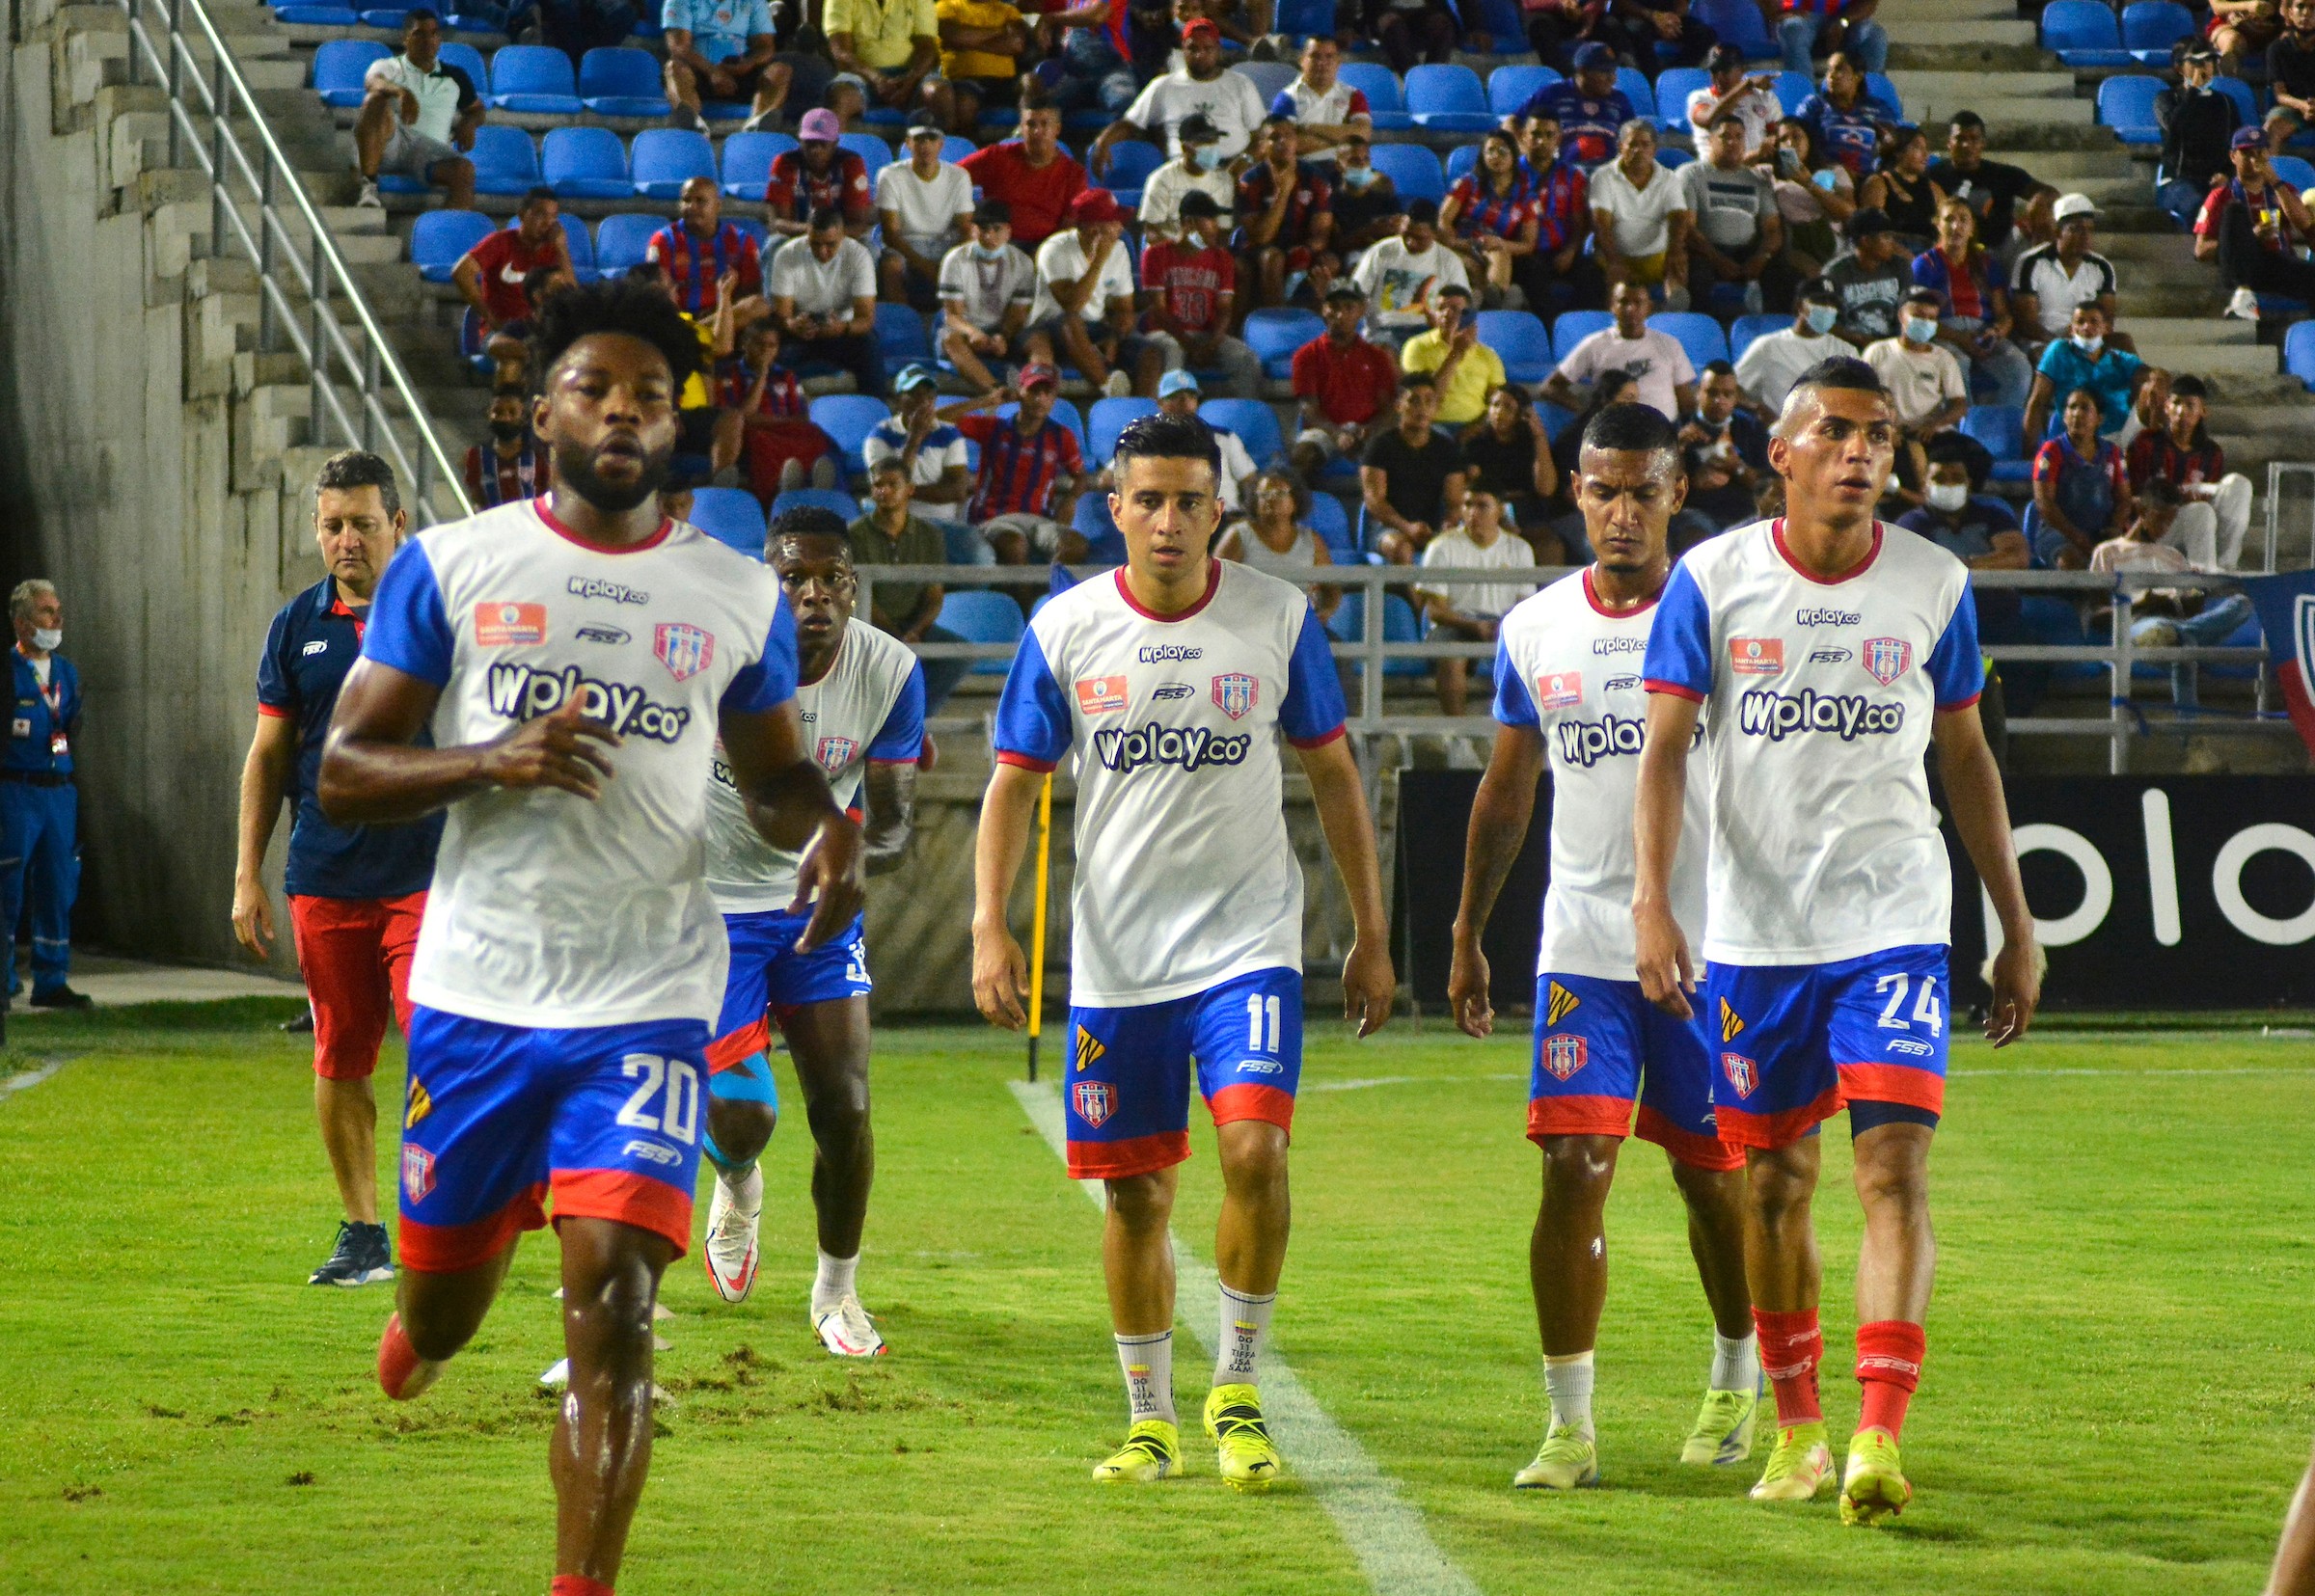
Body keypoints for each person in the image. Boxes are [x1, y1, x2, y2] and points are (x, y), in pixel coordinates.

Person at [323, 279, 865, 1592]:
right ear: (541, 412)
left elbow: (778, 773)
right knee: (440, 1303)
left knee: (617, 1305)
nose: (622, 413)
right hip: (479, 994)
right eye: (594, 390)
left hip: (648, 997)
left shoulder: (735, 594)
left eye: (648, 396)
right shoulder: (454, 564)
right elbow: (344, 767)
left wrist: (831, 827)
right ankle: (429, 1314)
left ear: (679, 423)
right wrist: (488, 756)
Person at [1632, 353, 2040, 1526]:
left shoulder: (1935, 580)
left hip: (1895, 922)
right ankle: (1798, 1425)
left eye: (1880, 434)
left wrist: (2016, 922)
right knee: (1772, 1181)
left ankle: (1876, 1431)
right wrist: (1654, 901)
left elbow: (1966, 757)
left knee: (1890, 1169)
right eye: (1839, 430)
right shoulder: (1710, 579)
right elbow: (1664, 750)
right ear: (1783, 449)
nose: (1864, 451)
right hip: (1756, 933)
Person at [973, 408, 1395, 1491]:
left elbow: (1336, 775)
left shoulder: (1279, 617)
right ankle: (1150, 1416)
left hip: (1247, 942)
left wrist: (1369, 933)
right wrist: (988, 921)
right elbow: (1015, 781)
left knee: (1257, 1151)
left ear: (1223, 513)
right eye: (1148, 500)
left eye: (1190, 502)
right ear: (1114, 509)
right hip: (1118, 959)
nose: (1168, 521)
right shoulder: (1064, 629)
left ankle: (1239, 1388)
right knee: (1137, 1196)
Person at [1449, 399, 1760, 1493]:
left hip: (1709, 947)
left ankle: (1735, 1368)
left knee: (1711, 1180)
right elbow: (1506, 787)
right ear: (1573, 491)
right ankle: (1569, 1426)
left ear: (1677, 494)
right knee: (1574, 1167)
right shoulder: (1535, 626)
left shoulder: (1724, 617)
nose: (1621, 512)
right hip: (1580, 945)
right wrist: (1469, 931)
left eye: (1642, 491)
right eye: (1602, 489)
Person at [696, 509, 922, 1355]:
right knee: (744, 1116)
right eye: (794, 577)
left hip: (817, 909)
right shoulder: (721, 655)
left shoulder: (890, 670)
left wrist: (856, 852)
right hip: (713, 903)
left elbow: (899, 820)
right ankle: (739, 1182)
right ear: (766, 582)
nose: (814, 594)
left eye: (832, 579)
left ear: (855, 589)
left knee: (847, 1106)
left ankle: (836, 1292)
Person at [234, 451, 443, 1287]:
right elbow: (267, 753)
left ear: (400, 523)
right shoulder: (296, 627)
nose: (346, 539)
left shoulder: (442, 621)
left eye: (361, 521)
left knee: (440, 1045)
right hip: (323, 876)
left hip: (428, 873)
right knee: (340, 1055)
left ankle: (442, 1220)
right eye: (331, 525)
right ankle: (364, 1232)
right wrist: (247, 872)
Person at [2087, 481, 2258, 703]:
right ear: (2142, 512)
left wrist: (2198, 591)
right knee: (2180, 645)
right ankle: (2187, 727)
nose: (2165, 528)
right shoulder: (2108, 552)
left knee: (2241, 605)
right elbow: (2097, 615)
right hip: (2136, 623)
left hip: (2175, 622)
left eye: (2170, 521)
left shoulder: (2173, 556)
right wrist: (2140, 604)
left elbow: (2192, 611)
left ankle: (2175, 635)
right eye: (2160, 519)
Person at [0, 581, 86, 1012]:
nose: (57, 620)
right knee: (7, 886)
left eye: (57, 610)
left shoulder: (67, 673)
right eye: (46, 613)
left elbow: (71, 725)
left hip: (58, 794)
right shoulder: (8, 672)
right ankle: (4, 980)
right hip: (16, 791)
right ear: (21, 623)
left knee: (58, 884)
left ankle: (51, 979)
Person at [851, 456, 974, 708]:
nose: (883, 490)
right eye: (877, 484)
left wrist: (916, 631)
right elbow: (862, 597)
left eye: (892, 484)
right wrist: (896, 636)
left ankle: (916, 717)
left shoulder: (930, 535)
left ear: (909, 490)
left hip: (914, 626)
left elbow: (934, 594)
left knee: (961, 654)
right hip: (868, 626)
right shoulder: (854, 534)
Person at [944, 364, 1087, 561]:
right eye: (1033, 391)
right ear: (1020, 392)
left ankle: (1051, 589)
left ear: (1054, 398)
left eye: (1047, 392)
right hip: (993, 520)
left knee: (1075, 544)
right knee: (1014, 545)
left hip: (1039, 521)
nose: (1040, 399)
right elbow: (938, 420)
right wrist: (986, 400)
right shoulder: (994, 429)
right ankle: (1025, 593)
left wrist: (1071, 498)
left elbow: (1081, 476)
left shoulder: (1062, 437)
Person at [1415, 489, 1538, 716]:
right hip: (1455, 623)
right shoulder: (1441, 546)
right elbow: (1435, 611)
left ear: (1500, 510)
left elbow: (1525, 605)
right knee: (1451, 655)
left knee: (1530, 649)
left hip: (1504, 623)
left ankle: (1517, 732)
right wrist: (1473, 626)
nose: (1473, 512)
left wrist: (1504, 624)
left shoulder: (1520, 549)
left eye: (1482, 505)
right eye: (1468, 505)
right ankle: (1458, 738)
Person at [1030, 188, 1160, 398]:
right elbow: (1071, 306)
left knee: (1151, 353)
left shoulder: (1118, 250)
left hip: (1095, 327)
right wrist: (1099, 259)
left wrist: (1114, 336)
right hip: (1052, 326)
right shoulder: (1055, 248)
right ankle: (1108, 389)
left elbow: (1124, 309)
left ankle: (1142, 412)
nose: (1120, 227)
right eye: (1113, 221)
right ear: (1092, 228)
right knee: (1071, 322)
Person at [1094, 17, 1267, 167]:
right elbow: (1130, 124)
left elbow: (1260, 134)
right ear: (1183, 48)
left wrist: (1239, 169)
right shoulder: (1163, 85)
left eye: (1207, 49)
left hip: (1230, 167)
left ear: (1218, 49)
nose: (1200, 55)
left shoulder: (1241, 84)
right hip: (1180, 169)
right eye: (1193, 49)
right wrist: (1103, 143)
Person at [1910, 199, 2031, 409]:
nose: (1956, 226)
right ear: (1938, 224)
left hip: (1982, 331)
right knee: (1957, 364)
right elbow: (1918, 316)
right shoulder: (1925, 264)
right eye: (1949, 220)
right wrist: (1959, 338)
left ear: (1972, 226)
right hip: (1944, 330)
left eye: (1963, 220)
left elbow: (2003, 313)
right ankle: (1965, 429)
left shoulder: (1986, 262)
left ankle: (1998, 427)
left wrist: (1996, 332)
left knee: (2019, 367)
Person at [1137, 193, 1264, 396]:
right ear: (1189, 223)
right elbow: (1159, 311)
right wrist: (1189, 344)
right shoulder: (1156, 255)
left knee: (1246, 358)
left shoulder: (1222, 258)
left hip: (1206, 335)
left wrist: (1213, 343)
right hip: (1165, 334)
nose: (1217, 227)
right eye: (1211, 219)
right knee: (1173, 350)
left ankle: (1241, 419)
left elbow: (1224, 309)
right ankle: (1170, 421)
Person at [353, 11, 478, 211]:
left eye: (434, 34)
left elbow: (476, 110)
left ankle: (446, 235)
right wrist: (402, 92)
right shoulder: (389, 66)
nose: (428, 40)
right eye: (419, 34)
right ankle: (369, 186)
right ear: (405, 39)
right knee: (375, 99)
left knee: (465, 172)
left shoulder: (455, 75)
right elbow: (372, 81)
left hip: (427, 149)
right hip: (390, 142)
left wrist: (469, 122)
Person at [2127, 374, 2254, 570]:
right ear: (2167, 407)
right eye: (2176, 403)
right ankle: (2205, 581)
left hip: (2200, 530)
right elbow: (2135, 495)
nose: (2181, 411)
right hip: (2160, 529)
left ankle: (2226, 566)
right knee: (2200, 512)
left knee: (2239, 484)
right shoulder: (2146, 443)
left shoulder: (2212, 453)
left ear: (2203, 411)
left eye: (2189, 405)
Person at [2194, 126, 2315, 320]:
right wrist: (2250, 238)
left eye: (2259, 153)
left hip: (2278, 264)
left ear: (2268, 154)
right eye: (2246, 154)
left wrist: (2274, 179)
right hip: (2242, 268)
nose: (2254, 160)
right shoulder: (2222, 195)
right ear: (2233, 156)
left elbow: (2305, 223)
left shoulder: (2281, 190)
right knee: (2234, 211)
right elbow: (2201, 251)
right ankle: (2242, 298)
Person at [769, 205, 885, 398]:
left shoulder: (859, 256)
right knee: (773, 350)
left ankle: (875, 409)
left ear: (842, 236)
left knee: (869, 344)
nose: (822, 251)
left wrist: (842, 328)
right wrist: (793, 325)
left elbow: (866, 319)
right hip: (801, 331)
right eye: (815, 243)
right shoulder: (787, 254)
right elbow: (782, 316)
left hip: (842, 330)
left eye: (830, 244)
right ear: (807, 234)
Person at [452, 190, 575, 372]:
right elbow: (461, 272)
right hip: (501, 332)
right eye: (540, 214)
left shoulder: (554, 251)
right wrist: (489, 317)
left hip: (541, 332)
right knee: (508, 351)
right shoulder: (501, 242)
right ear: (522, 214)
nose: (548, 223)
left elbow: (573, 297)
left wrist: (562, 248)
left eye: (553, 217)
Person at [1544, 278, 1698, 421]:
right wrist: (1587, 412)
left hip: (1663, 435)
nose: (1630, 309)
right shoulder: (1595, 344)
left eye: (1638, 302)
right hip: (1614, 437)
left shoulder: (1670, 344)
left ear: (1649, 308)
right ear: (1612, 306)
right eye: (1623, 302)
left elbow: (1686, 402)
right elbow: (1550, 387)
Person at [1680, 116, 1789, 317]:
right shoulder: (1691, 174)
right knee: (1696, 273)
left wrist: (1761, 258)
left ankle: (1769, 330)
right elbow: (1687, 229)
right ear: (1710, 141)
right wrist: (1717, 259)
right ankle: (1706, 329)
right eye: (1725, 137)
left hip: (1748, 252)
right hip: (1705, 252)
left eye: (1739, 137)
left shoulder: (1757, 179)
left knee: (1780, 271)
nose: (1732, 142)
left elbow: (1773, 230)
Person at [1289, 284, 1401, 480]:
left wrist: (1368, 431)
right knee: (1302, 457)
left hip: (1369, 428)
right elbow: (1309, 410)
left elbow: (1389, 408)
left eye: (1349, 307)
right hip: (1325, 429)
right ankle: (1306, 509)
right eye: (1334, 307)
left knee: (1400, 455)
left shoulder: (1378, 356)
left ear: (1361, 311)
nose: (1340, 315)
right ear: (1324, 309)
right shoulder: (1306, 355)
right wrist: (1338, 434)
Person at [721, 318, 841, 493]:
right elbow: (743, 416)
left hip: (783, 429)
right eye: (759, 344)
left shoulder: (787, 376)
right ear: (744, 344)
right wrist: (762, 375)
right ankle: (782, 486)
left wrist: (770, 421)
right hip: (752, 433)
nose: (765, 350)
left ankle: (819, 485)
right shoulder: (729, 375)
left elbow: (802, 416)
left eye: (772, 346)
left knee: (818, 435)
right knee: (760, 439)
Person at [959, 94, 1089, 252]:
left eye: (1044, 124)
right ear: (1021, 128)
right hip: (995, 244)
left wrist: (1047, 254)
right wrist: (966, 222)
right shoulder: (994, 156)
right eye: (1030, 124)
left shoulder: (1074, 174)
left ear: (1057, 129)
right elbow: (952, 178)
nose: (1037, 131)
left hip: (1044, 249)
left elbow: (1069, 226)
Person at [1362, 374, 1469, 563]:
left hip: (1432, 528)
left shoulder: (1447, 448)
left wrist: (1449, 524)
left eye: (1429, 401)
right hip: (1388, 528)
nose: (1422, 408)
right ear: (1399, 406)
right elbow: (1374, 501)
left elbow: (1455, 502)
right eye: (1414, 401)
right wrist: (1407, 527)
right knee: (1401, 548)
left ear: (1436, 408)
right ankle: (1417, 595)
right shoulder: (1380, 446)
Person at [1863, 287, 1968, 477]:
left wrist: (1934, 424)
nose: (1925, 322)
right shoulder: (1878, 351)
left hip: (1931, 433)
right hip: (1888, 432)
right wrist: (1884, 427)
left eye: (1931, 318)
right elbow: (1862, 395)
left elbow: (1959, 404)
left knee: (1975, 456)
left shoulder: (1944, 358)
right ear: (1902, 316)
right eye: (1919, 315)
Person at [2027, 386, 2134, 568]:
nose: (2077, 414)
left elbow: (2124, 499)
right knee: (2070, 561)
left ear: (2099, 419)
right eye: (2072, 407)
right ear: (2064, 415)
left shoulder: (2113, 453)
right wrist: (2078, 537)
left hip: (2102, 532)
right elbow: (2044, 504)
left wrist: (2114, 528)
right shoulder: (2051, 452)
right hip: (2059, 533)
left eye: (2085, 408)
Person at [938, 200, 1038, 394]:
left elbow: (1018, 314)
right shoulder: (955, 259)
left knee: (1037, 338)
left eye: (996, 229)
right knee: (951, 340)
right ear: (973, 230)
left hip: (1003, 328)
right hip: (967, 328)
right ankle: (997, 391)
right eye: (982, 228)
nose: (988, 235)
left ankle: (1034, 387)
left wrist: (1002, 336)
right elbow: (953, 315)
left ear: (1008, 231)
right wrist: (973, 333)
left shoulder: (1022, 263)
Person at [1237, 120, 1338, 311]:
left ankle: (1317, 325)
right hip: (1260, 248)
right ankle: (1279, 324)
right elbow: (1261, 237)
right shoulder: (1250, 181)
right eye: (1274, 138)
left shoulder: (1316, 178)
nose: (1283, 142)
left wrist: (1305, 251)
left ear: (1296, 142)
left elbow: (1321, 234)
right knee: (1273, 258)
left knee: (1330, 263)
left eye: (1289, 136)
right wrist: (1283, 191)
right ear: (1262, 146)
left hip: (1302, 246)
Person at [1926, 110, 2051, 262]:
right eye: (1960, 139)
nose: (1966, 145)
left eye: (1974, 139)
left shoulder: (2003, 174)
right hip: (1952, 248)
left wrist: (2037, 207)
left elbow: (2050, 193)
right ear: (1949, 143)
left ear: (1983, 143)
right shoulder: (1933, 175)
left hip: (1999, 250)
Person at [874, 122, 974, 310]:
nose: (925, 145)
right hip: (906, 242)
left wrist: (954, 259)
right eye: (919, 139)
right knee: (891, 265)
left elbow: (965, 228)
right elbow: (891, 234)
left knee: (970, 257)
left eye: (931, 139)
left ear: (940, 144)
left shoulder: (959, 176)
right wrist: (926, 266)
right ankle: (902, 323)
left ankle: (957, 318)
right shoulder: (889, 175)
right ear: (908, 143)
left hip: (946, 242)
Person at [1439, 129, 1541, 311]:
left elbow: (1528, 244)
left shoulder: (1526, 196)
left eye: (1502, 151)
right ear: (1483, 156)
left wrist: (1500, 243)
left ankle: (1490, 302)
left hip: (1494, 246)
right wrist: (1459, 243)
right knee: (1472, 266)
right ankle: (1505, 303)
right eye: (1490, 151)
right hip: (1463, 245)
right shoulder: (1468, 183)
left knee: (1500, 254)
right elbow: (1444, 219)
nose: (1496, 156)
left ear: (1514, 156)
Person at [1591, 121, 1691, 304]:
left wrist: (1675, 251)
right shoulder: (1603, 176)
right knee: (1608, 271)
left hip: (1656, 257)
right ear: (1621, 147)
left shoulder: (1668, 178)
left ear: (1654, 149)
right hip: (1616, 254)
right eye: (1632, 144)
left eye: (1645, 145)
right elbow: (1601, 223)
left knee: (1678, 263)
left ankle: (1674, 305)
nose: (1638, 150)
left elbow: (1678, 218)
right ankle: (1615, 314)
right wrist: (1614, 261)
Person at [1514, 110, 1606, 312]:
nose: (1542, 141)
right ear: (1523, 136)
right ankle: (1546, 329)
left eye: (1549, 135)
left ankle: (1578, 328)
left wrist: (1570, 251)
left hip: (1563, 251)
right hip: (1524, 253)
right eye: (1536, 134)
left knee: (1592, 273)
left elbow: (1580, 222)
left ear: (1558, 139)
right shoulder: (1510, 173)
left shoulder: (1573, 176)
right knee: (1532, 271)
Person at [1216, 470, 1340, 618]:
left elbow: (1332, 589)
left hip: (1299, 623)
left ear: (1295, 501)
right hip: (1249, 623)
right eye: (1264, 495)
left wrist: (1324, 615)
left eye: (1279, 494)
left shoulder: (1311, 539)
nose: (1271, 499)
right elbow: (1215, 584)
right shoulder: (1239, 535)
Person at [1350, 202, 1474, 350]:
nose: (1410, 242)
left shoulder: (1449, 261)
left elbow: (1461, 305)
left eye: (1419, 238)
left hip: (1428, 331)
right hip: (1384, 330)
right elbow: (1356, 292)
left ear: (1434, 234)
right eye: (1406, 235)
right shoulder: (1381, 251)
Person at [647, 177, 767, 328]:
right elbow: (657, 295)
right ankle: (693, 334)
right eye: (686, 200)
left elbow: (751, 291)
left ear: (717, 206)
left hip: (725, 317)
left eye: (700, 201)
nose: (691, 206)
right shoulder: (663, 240)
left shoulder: (742, 240)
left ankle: (694, 334)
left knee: (759, 305)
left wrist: (720, 310)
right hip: (679, 319)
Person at [2023, 300, 2142, 446]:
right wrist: (2029, 456)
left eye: (2094, 322)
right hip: (2074, 439)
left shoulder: (2121, 359)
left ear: (2106, 328)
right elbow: (2037, 402)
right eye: (2080, 322)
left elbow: (2148, 380)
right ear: (2071, 329)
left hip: (2117, 438)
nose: (2087, 327)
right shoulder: (2059, 350)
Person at [865, 364, 975, 524]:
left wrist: (905, 490)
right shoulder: (880, 436)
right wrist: (914, 438)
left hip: (945, 523)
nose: (923, 402)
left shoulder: (950, 433)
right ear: (897, 400)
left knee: (980, 549)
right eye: (915, 395)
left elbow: (958, 491)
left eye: (929, 397)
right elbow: (889, 487)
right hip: (898, 523)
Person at [2009, 195, 2118, 353]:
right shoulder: (2030, 262)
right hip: (2042, 341)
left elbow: (2107, 319)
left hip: (2087, 337)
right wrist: (2061, 342)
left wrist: (2084, 336)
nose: (2086, 237)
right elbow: (2026, 324)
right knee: (2051, 356)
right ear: (2057, 231)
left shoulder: (2102, 267)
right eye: (2077, 229)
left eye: (2090, 230)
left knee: (2124, 342)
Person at [823, 0, 951, 135]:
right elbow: (841, 51)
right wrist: (877, 79)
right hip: (861, 76)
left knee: (939, 93)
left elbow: (927, 47)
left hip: (910, 76)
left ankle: (948, 154)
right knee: (840, 97)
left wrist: (911, 80)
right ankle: (842, 155)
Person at [1458, 383, 1561, 550]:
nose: (1499, 412)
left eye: (1508, 407)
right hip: (1489, 506)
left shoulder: (1531, 444)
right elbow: (1478, 487)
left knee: (1550, 544)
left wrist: (1539, 437)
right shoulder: (1475, 444)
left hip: (1526, 510)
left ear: (1522, 414)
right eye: (1495, 405)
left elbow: (1546, 489)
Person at [1675, 362, 1768, 542]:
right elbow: (1661, 486)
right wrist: (1677, 451)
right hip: (1696, 514)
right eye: (1712, 393)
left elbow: (1768, 486)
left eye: (1727, 394)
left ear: (1736, 398)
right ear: (1698, 393)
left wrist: (1738, 468)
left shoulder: (1751, 428)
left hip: (1744, 515)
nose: (1719, 400)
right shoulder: (1678, 430)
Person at [660, 0, 784, 132]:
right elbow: (678, 47)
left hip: (740, 71)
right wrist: (712, 71)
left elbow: (765, 47)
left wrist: (748, 64)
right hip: (699, 71)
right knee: (674, 68)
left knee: (780, 71)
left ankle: (757, 126)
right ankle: (693, 126)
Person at [2155, 42, 2244, 227]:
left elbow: (2237, 146)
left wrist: (2227, 174)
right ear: (2180, 68)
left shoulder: (2226, 102)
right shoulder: (2167, 99)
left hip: (2216, 179)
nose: (2203, 67)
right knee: (2203, 207)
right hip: (2178, 181)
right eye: (2196, 62)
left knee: (2242, 209)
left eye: (2208, 61)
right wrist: (2193, 90)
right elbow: (2173, 126)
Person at [1734, 277, 1850, 416]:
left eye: (1833, 305)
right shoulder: (1768, 346)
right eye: (1819, 302)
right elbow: (1731, 387)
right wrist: (1756, 408)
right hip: (1783, 430)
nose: (1827, 309)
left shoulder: (1846, 351)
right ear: (1799, 305)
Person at [1760, 116, 1857, 276]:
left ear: (1809, 139)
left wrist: (1809, 184)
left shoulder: (1833, 171)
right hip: (1792, 243)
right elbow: (1732, 168)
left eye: (1797, 136)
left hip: (1830, 241)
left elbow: (1849, 213)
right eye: (1784, 139)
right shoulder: (1769, 173)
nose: (1790, 143)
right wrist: (1758, 153)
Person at [1154, 370, 1260, 516]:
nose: (1184, 402)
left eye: (1191, 396)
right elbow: (1112, 475)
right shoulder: (1146, 441)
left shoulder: (1224, 438)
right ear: (1160, 403)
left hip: (1224, 518)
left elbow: (1249, 480)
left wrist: (1248, 514)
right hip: (1172, 521)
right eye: (1175, 397)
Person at [1401, 285, 1507, 429]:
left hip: (1476, 426)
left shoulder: (1488, 355)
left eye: (1455, 309)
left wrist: (1479, 427)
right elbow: (1426, 400)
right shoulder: (1417, 346)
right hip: (1432, 425)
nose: (1446, 314)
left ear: (1469, 316)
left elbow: (1496, 402)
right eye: (1440, 308)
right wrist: (1455, 354)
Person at [1515, 42, 1635, 171]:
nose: (1612, 79)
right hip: (1563, 172)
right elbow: (1512, 122)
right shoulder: (1553, 93)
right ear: (1582, 71)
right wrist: (1526, 151)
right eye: (1605, 72)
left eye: (1613, 72)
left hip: (1608, 172)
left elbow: (1633, 136)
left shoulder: (1619, 99)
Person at [765, 109, 877, 238]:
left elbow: (858, 224)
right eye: (809, 143)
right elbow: (777, 222)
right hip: (796, 237)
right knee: (774, 243)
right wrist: (815, 232)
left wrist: (826, 235)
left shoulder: (852, 163)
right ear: (800, 140)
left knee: (870, 249)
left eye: (823, 143)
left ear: (835, 143)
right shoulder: (784, 162)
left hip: (841, 239)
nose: (816, 150)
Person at [1268, 36, 1371, 169]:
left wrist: (1310, 128)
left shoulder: (1354, 95)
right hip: (1303, 169)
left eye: (1329, 57)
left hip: (1344, 169)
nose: (1322, 63)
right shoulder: (1287, 98)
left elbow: (1363, 134)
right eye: (1315, 56)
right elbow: (1290, 145)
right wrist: (1342, 140)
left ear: (1338, 62)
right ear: (1302, 60)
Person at [1796, 53, 1896, 182]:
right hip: (1827, 177)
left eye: (1839, 70)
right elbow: (1798, 138)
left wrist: (1888, 139)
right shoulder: (1814, 105)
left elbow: (1892, 140)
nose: (1831, 76)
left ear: (1858, 76)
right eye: (1829, 70)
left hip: (1866, 179)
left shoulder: (1876, 108)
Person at [1138, 113, 1238, 244]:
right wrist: (1180, 251)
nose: (1212, 148)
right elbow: (1151, 230)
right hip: (1170, 252)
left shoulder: (1224, 180)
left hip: (1208, 255)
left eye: (1214, 142)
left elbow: (1224, 230)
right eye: (1205, 142)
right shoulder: (1162, 179)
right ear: (1185, 148)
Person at [1823, 208, 1913, 348]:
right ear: (1866, 241)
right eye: (1886, 237)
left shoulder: (1900, 267)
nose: (1892, 243)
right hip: (1849, 347)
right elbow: (1825, 321)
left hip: (1893, 346)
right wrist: (1858, 339)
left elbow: (1908, 310)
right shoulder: (1835, 273)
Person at [935, 0, 1028, 130]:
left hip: (1006, 81)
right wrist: (999, 30)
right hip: (965, 80)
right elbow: (956, 36)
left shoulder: (1008, 11)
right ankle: (970, 146)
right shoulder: (947, 6)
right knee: (964, 104)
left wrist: (969, 43)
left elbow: (1015, 44)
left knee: (1030, 83)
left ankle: (1026, 133)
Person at [1858, 127, 1945, 254]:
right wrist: (1907, 257)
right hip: (1892, 251)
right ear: (1898, 152)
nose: (1926, 155)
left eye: (1926, 149)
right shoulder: (1878, 183)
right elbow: (1873, 229)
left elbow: (1946, 221)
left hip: (1929, 249)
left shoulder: (1933, 187)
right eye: (1918, 148)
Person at [1687, 44, 1780, 160]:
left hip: (1757, 170)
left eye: (1725, 71)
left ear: (1742, 70)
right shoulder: (1700, 97)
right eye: (1714, 71)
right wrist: (1745, 87)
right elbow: (1708, 120)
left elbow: (1777, 136)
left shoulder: (1764, 97)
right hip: (1715, 172)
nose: (1719, 77)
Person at [466, 386, 553, 506]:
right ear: (488, 414)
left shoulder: (539, 457)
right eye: (498, 412)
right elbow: (475, 496)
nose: (505, 418)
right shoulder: (476, 456)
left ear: (524, 417)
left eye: (512, 412)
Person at [1330, 133, 1406, 254]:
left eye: (1366, 159)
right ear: (1338, 166)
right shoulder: (1331, 199)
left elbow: (1400, 223)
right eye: (1354, 160)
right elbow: (1336, 245)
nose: (1362, 164)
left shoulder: (1384, 193)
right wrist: (1369, 231)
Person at [1779, 0, 1885, 76]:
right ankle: (1805, 98)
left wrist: (1843, 22)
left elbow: (1870, 3)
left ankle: (1869, 100)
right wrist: (1775, 12)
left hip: (1846, 17)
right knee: (1793, 29)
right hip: (1801, 15)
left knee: (1874, 36)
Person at [2211, 0, 2287, 74]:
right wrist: (2247, 5)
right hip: (2232, 25)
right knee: (2231, 40)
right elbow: (2217, 6)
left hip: (2275, 25)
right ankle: (2227, 82)